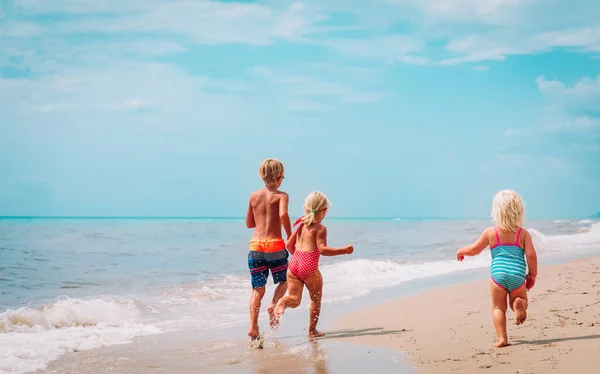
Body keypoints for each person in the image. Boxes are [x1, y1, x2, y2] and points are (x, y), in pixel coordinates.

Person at [456, 189, 538, 347]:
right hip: (517, 275)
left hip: (497, 276)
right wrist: (532, 274)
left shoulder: (490, 233)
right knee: (520, 299)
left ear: (495, 212)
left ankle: (502, 338)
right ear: (519, 211)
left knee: (498, 307)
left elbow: (474, 250)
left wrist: (461, 251)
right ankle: (518, 304)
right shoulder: (523, 234)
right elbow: (531, 255)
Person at [274, 191, 354, 338]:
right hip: (308, 266)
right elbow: (323, 249)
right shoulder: (320, 228)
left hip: (293, 265)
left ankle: (283, 301)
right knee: (315, 299)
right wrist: (343, 250)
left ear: (306, 208)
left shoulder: (300, 225)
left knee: (294, 299)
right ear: (324, 211)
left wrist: (298, 257)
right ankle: (312, 331)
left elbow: (288, 245)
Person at [246, 158, 293, 341]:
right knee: (285, 280)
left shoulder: (253, 196)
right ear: (280, 177)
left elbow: (249, 223)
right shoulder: (282, 196)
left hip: (255, 246)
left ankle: (253, 326)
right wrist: (290, 237)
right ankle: (274, 303)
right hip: (275, 245)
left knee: (257, 288)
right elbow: (283, 214)